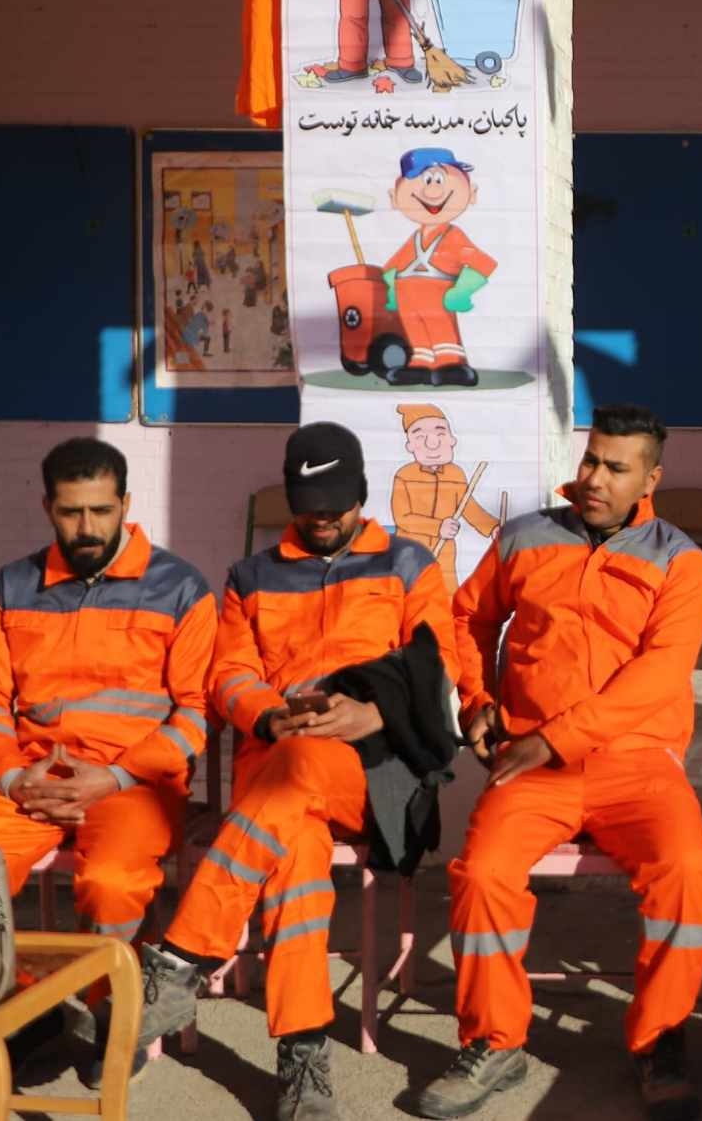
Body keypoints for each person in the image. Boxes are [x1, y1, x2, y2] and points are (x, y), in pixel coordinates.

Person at [124, 424, 482, 1119]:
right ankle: (303, 1055)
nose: (324, 516)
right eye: (310, 503)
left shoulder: (409, 563)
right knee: (295, 852)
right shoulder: (250, 576)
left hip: (369, 772)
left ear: (362, 493)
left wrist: (372, 712)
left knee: (298, 776)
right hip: (278, 774)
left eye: (337, 503)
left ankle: (180, 958)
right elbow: (229, 674)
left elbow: (440, 667)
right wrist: (270, 716)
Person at [421, 405, 702, 1121]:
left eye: (616, 468)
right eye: (591, 460)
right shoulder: (525, 535)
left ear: (651, 478)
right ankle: (495, 1041)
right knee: (482, 874)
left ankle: (660, 1039)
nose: (595, 479)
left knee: (688, 871)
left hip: (637, 762)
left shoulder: (681, 560)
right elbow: (466, 617)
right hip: (534, 765)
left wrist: (555, 738)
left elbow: (659, 673)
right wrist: (478, 699)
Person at [0, 440, 214, 1068]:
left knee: (113, 884)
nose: (87, 527)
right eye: (71, 512)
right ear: (48, 507)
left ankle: (110, 1018)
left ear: (126, 503)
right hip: (33, 782)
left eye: (101, 510)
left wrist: (116, 775)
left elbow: (198, 711)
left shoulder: (179, 586)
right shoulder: (15, 584)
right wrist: (12, 777)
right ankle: (20, 1009)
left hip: (134, 786)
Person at [381, 149, 495, 387]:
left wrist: (461, 291)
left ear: (471, 193)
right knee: (416, 335)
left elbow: (482, 263)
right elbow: (391, 267)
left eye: (439, 179)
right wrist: (390, 291)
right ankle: (420, 365)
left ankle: (451, 365)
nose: (431, 190)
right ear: (395, 197)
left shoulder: (454, 235)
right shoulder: (414, 239)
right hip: (407, 298)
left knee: (441, 330)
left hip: (437, 294)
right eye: (424, 180)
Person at [391, 403, 501, 588]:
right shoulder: (404, 476)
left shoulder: (455, 474)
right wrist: (438, 527)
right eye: (420, 436)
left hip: (445, 555)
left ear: (452, 439)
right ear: (409, 445)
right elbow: (402, 517)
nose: (432, 443)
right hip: (411, 552)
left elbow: (469, 508)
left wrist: (492, 527)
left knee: (446, 595)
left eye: (440, 433)